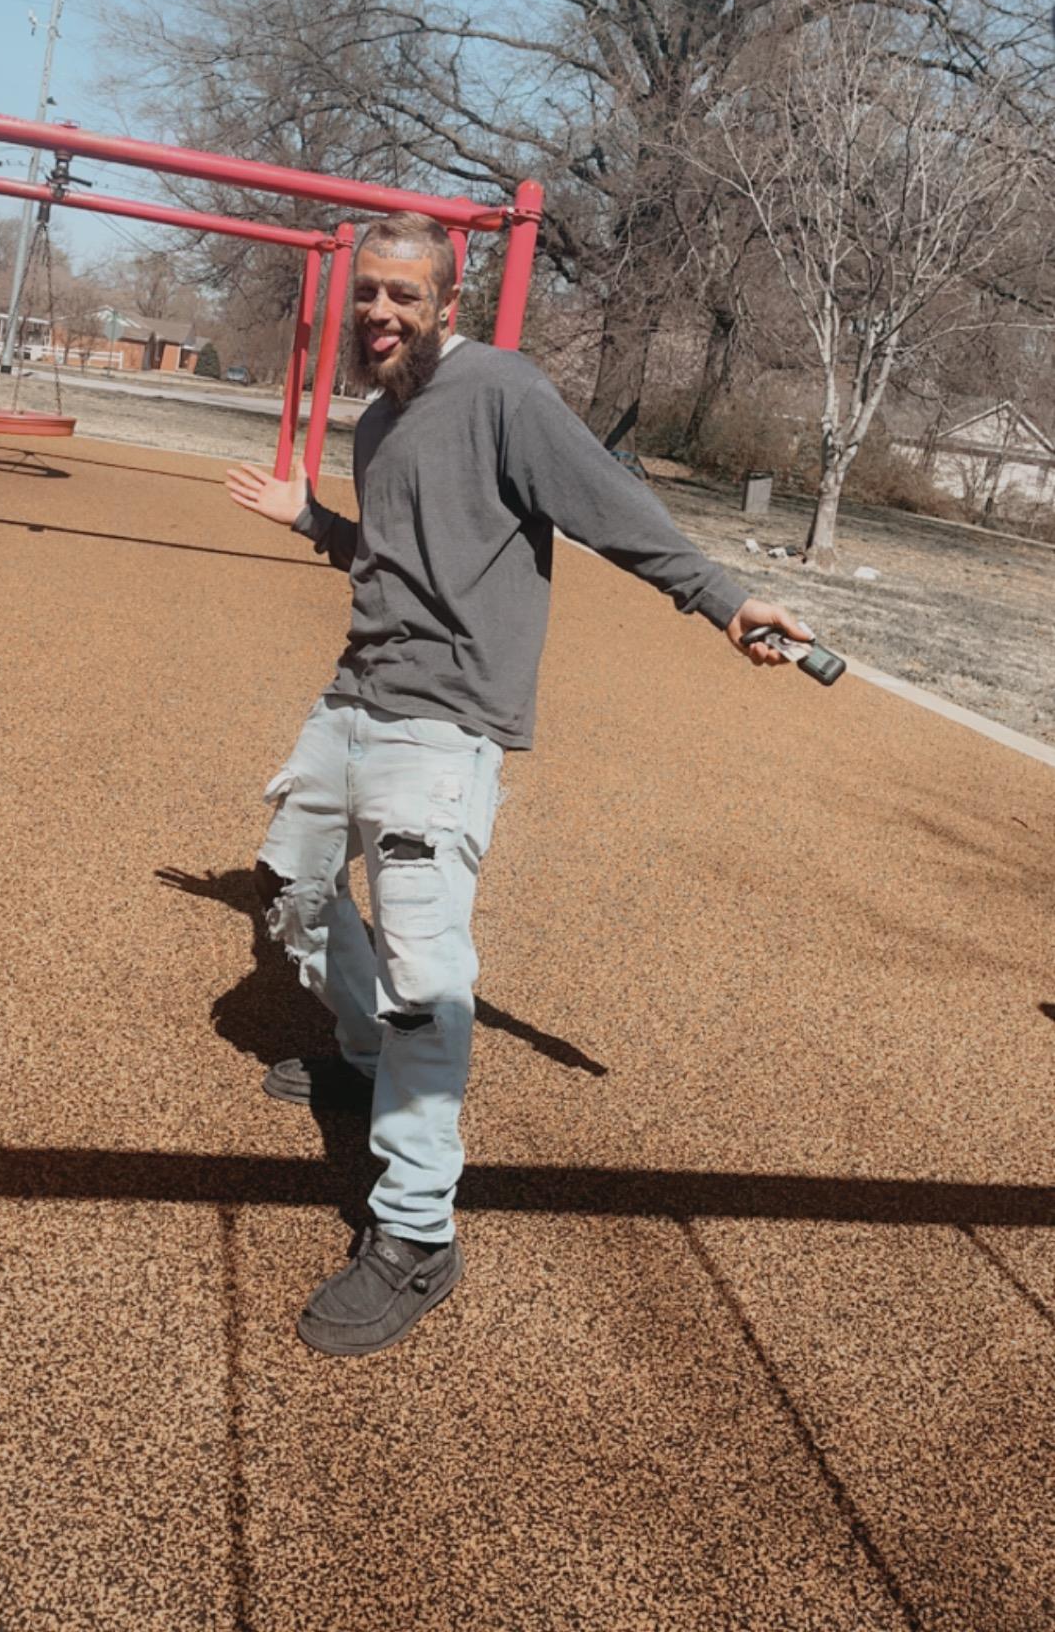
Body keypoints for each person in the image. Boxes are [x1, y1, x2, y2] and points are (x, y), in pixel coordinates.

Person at [226, 213, 811, 1357]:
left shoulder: (501, 392)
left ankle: (414, 1233)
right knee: (291, 890)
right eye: (368, 297)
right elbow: (403, 556)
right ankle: (358, 1060)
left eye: (403, 296)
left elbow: (606, 506)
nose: (381, 314)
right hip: (353, 696)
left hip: (442, 729)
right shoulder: (385, 413)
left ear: (447, 303)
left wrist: (722, 599)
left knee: (423, 973)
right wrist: (312, 522)